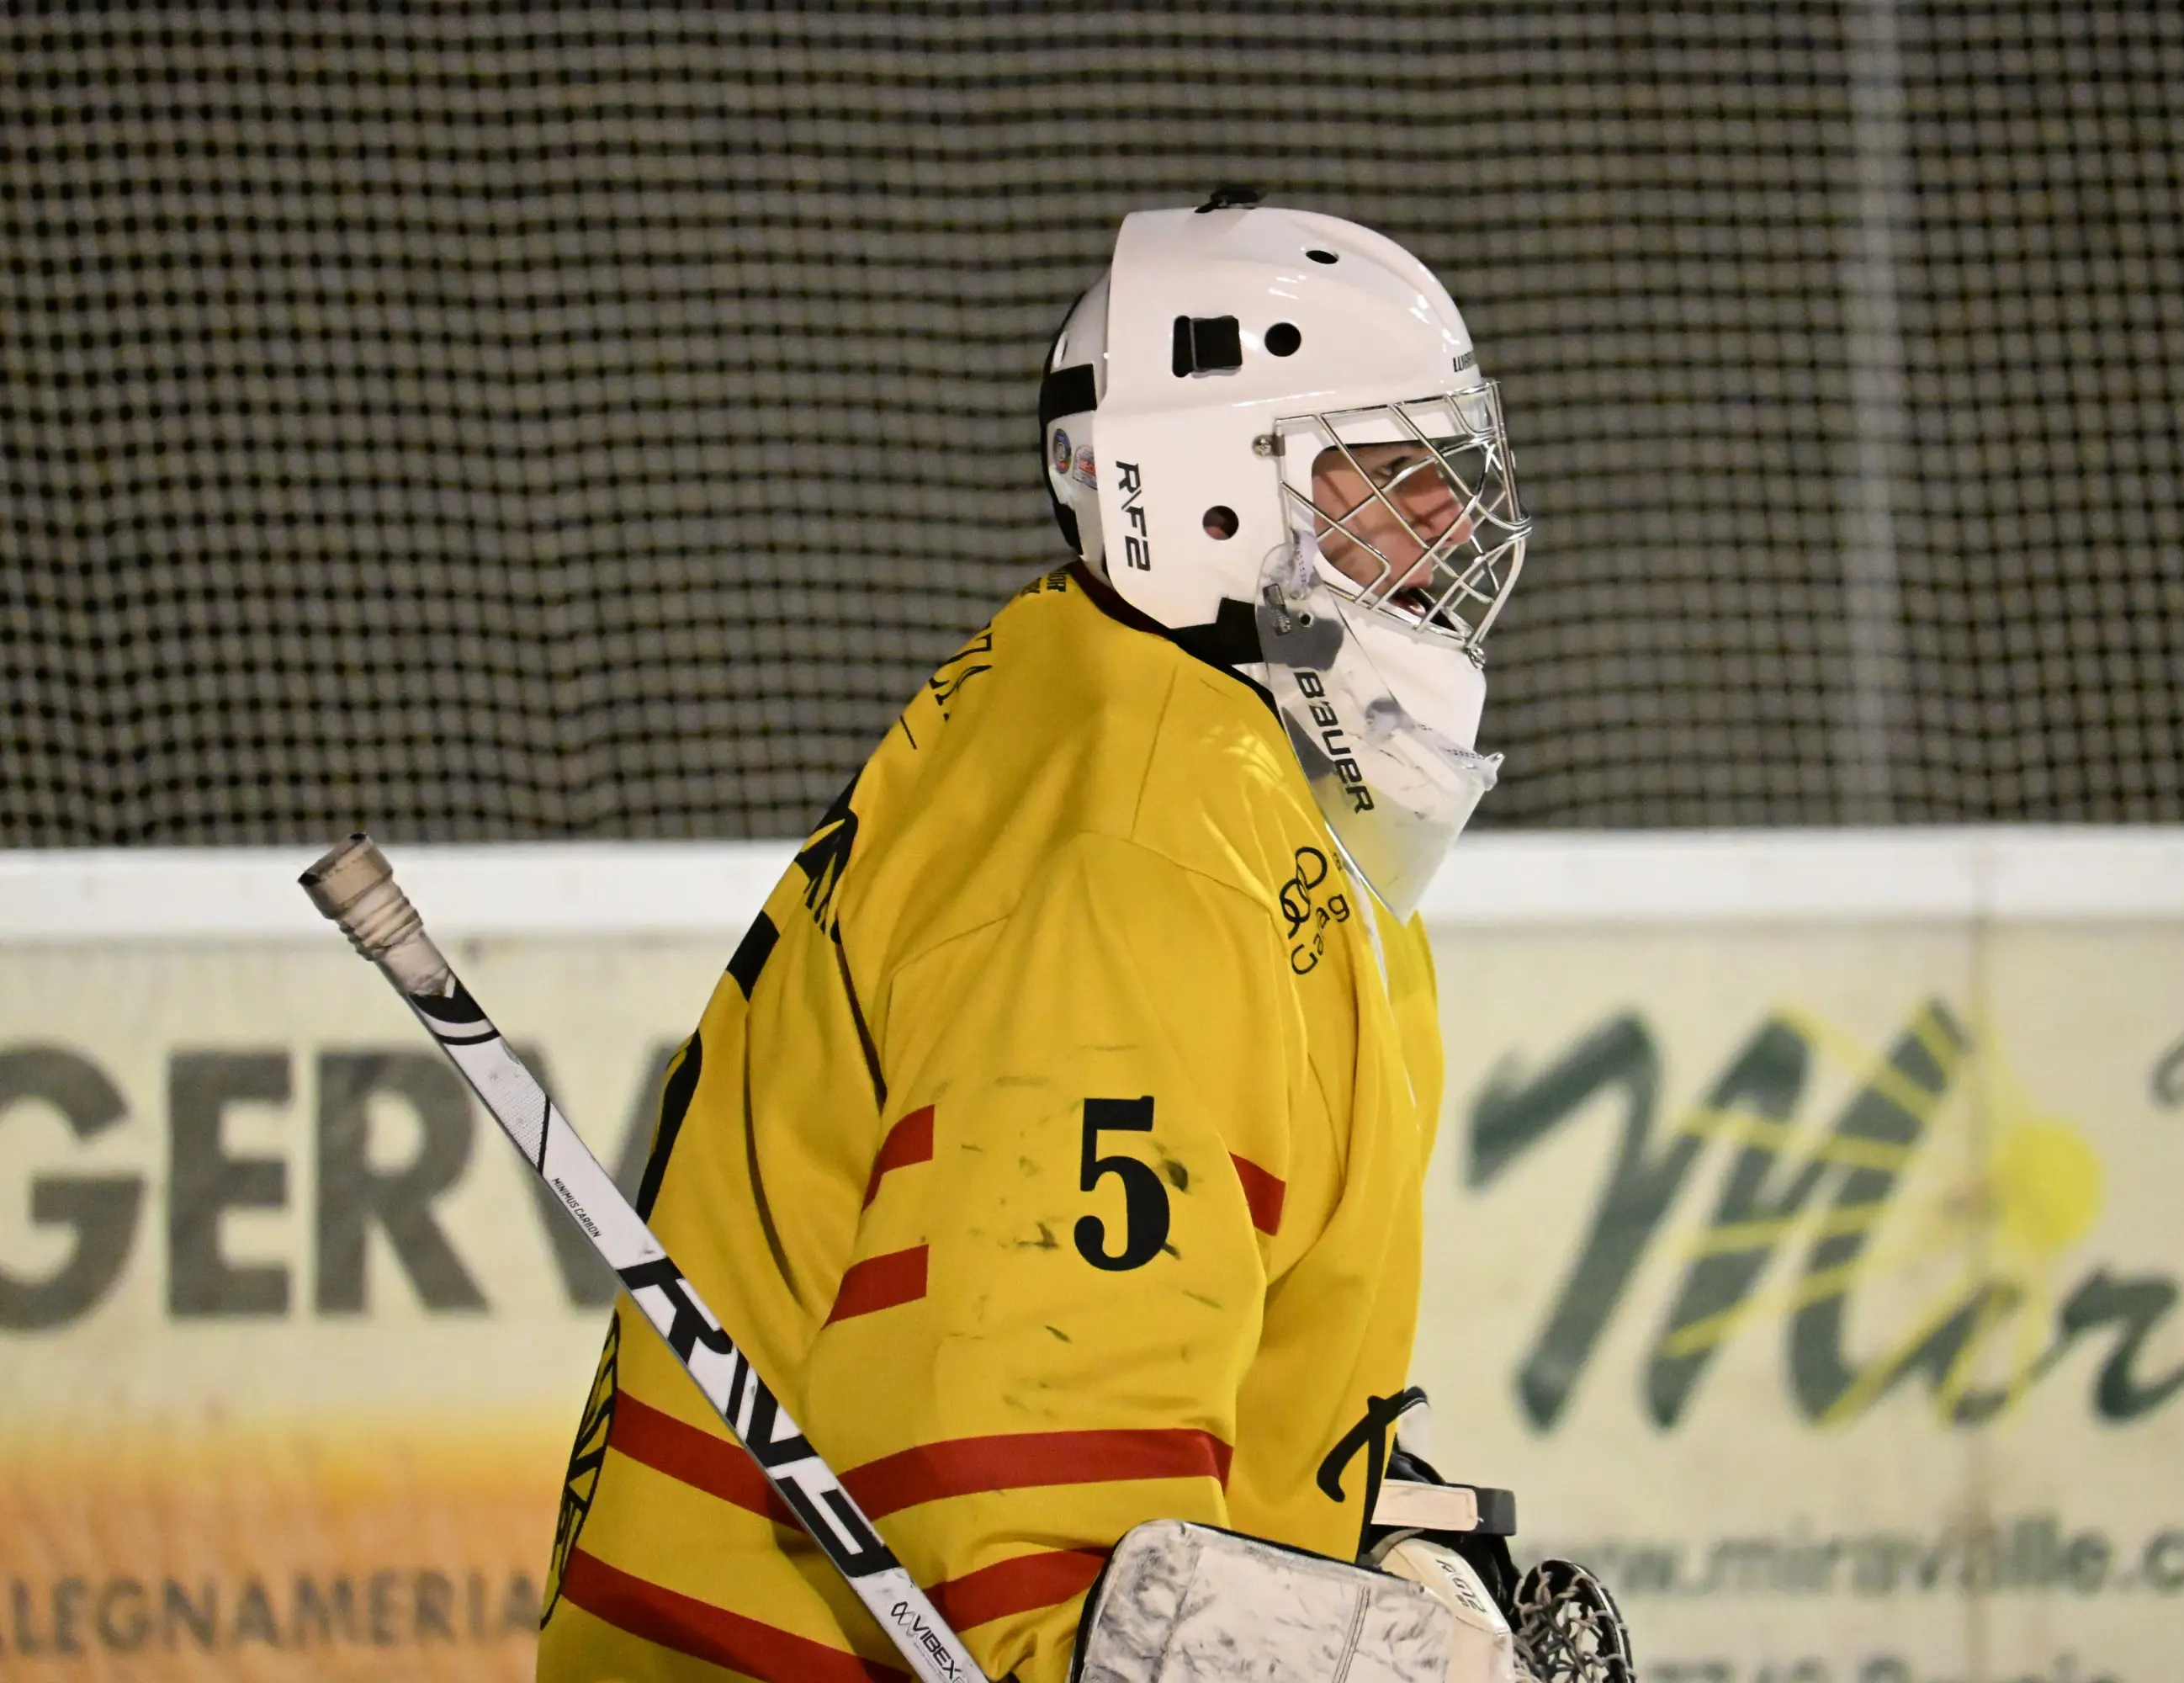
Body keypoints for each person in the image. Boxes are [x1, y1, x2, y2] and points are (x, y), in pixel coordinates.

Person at [535, 194, 1582, 1683]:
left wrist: (1380, 1535)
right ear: (1220, 491)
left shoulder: (1177, 751)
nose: (1452, 526)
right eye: (1390, 474)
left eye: (1449, 480)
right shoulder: (1146, 851)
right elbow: (1027, 1527)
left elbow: (1194, 1340)